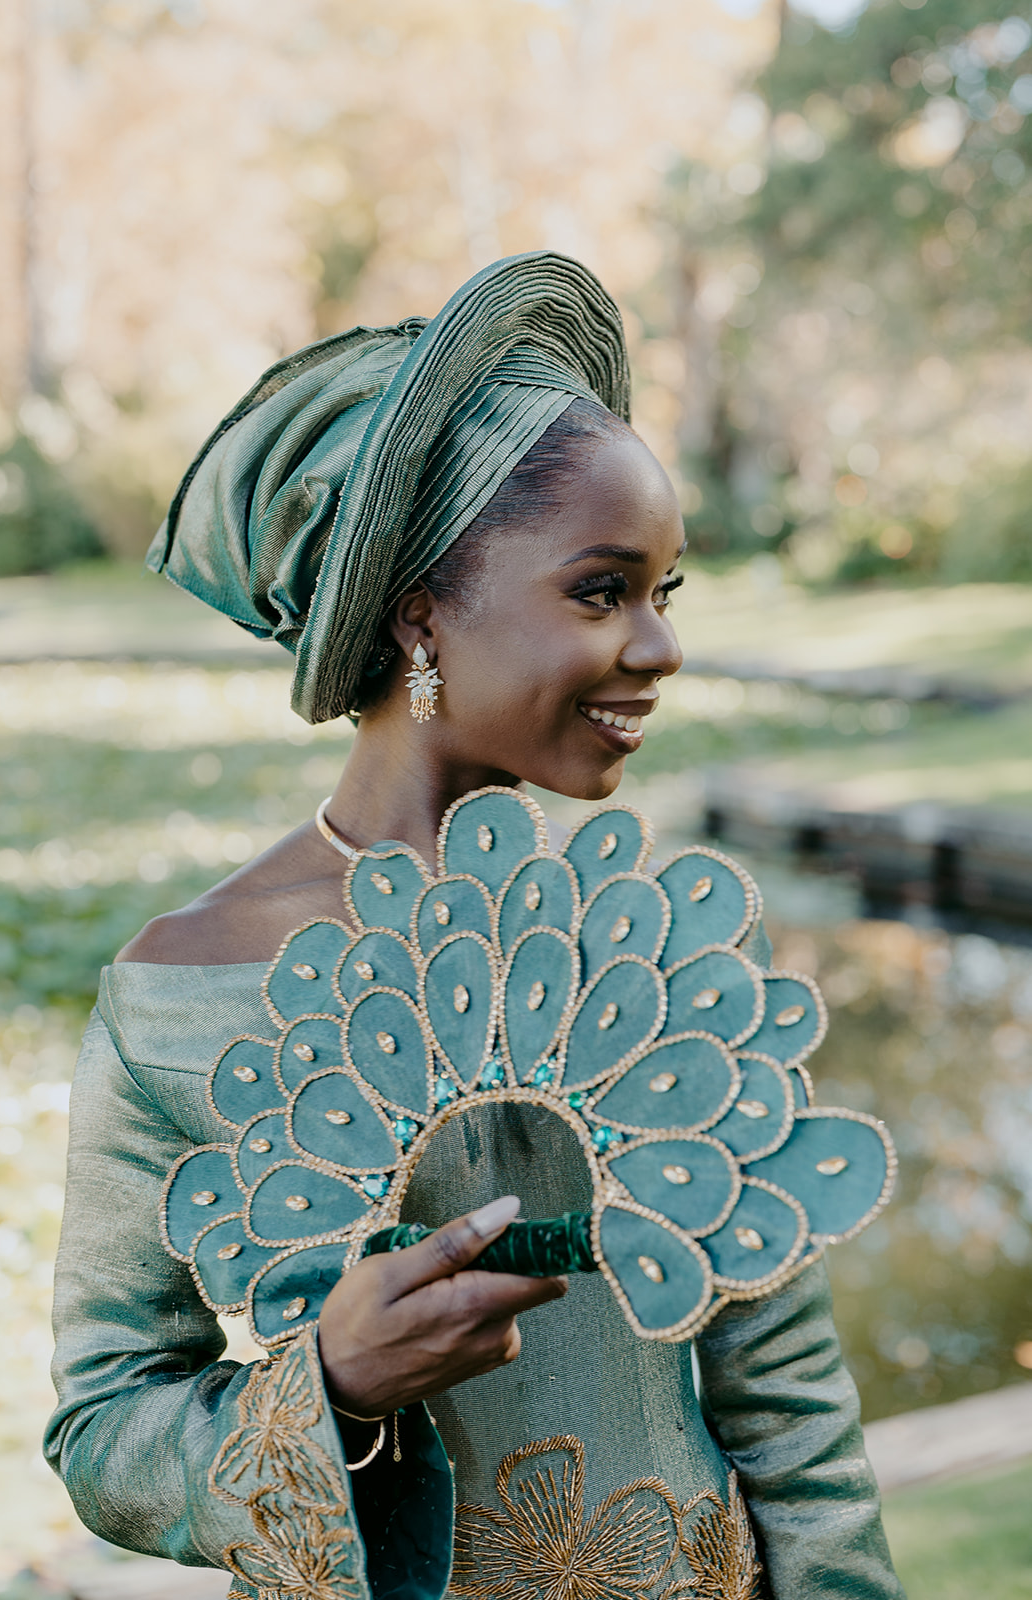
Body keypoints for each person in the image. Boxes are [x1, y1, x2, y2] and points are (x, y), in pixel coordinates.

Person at [45, 252, 904, 1600]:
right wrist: (330, 1385)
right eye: (602, 590)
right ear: (419, 612)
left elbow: (791, 1412)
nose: (662, 648)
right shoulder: (180, 994)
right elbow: (105, 1425)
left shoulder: (656, 949)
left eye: (665, 596)